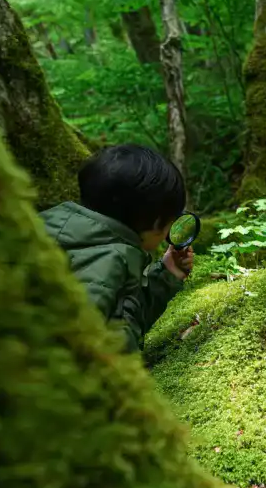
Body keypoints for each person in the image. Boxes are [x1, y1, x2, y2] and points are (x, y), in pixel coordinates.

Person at [40, 144, 194, 352]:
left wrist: (167, 275)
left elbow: (124, 312)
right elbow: (85, 347)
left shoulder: (47, 231)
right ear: (158, 224)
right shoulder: (110, 261)